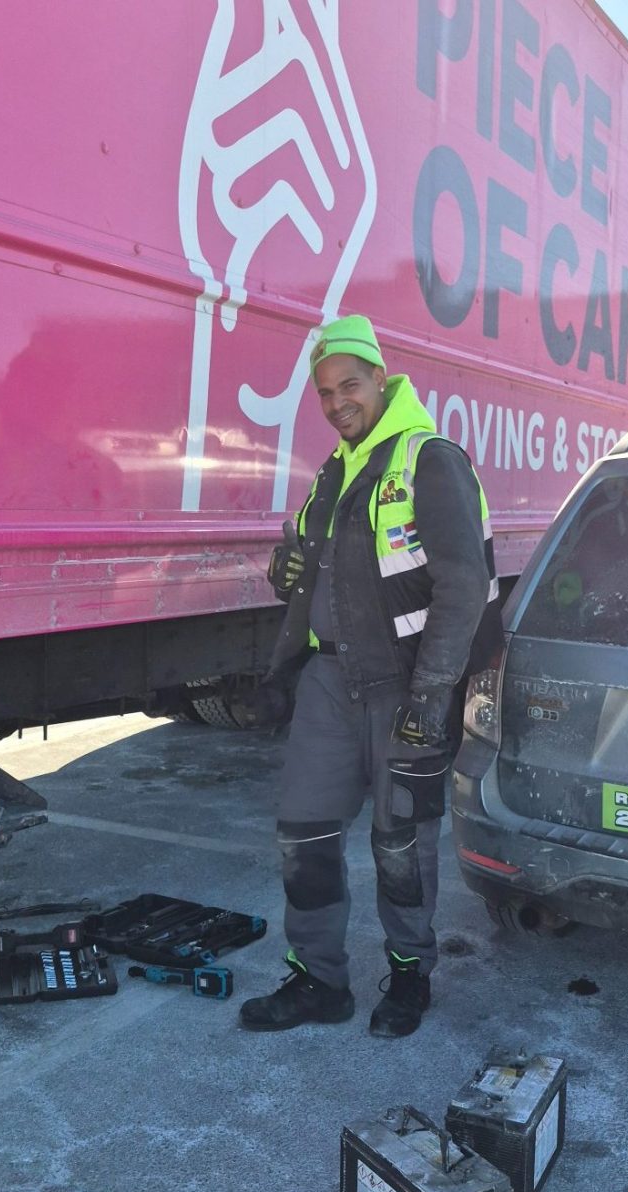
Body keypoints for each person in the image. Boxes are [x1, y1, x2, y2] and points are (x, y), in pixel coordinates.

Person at [239, 315, 499, 1037]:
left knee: (400, 843)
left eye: (349, 385)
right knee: (305, 835)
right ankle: (318, 980)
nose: (336, 403)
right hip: (328, 682)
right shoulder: (334, 472)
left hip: (403, 687)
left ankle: (410, 977)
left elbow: (463, 586)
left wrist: (432, 695)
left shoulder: (429, 459)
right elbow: (303, 560)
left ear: (382, 379)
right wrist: (280, 569)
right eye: (324, 392)